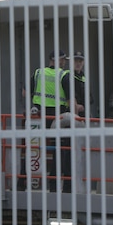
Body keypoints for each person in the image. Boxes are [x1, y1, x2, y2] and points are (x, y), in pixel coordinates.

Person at [30, 50, 83, 191]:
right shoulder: (64, 75)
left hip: (39, 118)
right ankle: (65, 187)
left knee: (32, 151)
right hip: (59, 119)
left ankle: (25, 183)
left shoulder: (38, 73)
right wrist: (77, 119)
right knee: (62, 151)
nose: (64, 62)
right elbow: (71, 101)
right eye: (62, 59)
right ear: (56, 60)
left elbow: (26, 92)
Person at [71, 51, 89, 118]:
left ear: (83, 62)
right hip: (71, 112)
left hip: (84, 112)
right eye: (75, 61)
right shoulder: (67, 76)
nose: (78, 64)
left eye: (80, 61)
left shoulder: (83, 77)